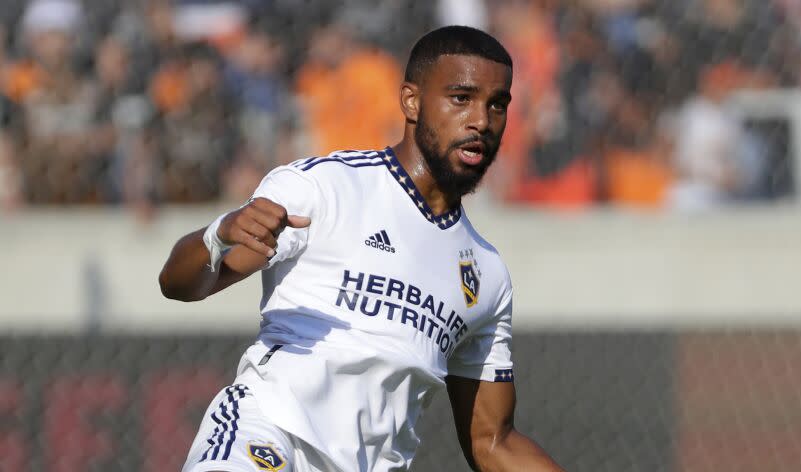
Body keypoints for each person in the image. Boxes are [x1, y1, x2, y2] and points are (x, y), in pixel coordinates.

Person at [160, 26, 567, 472]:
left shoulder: (487, 275)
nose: (482, 121)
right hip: (266, 438)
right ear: (411, 101)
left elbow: (492, 441)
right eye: (460, 98)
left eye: (497, 104)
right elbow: (181, 285)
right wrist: (219, 235)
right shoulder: (325, 188)